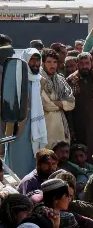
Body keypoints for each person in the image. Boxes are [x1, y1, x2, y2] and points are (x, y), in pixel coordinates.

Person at [5, 49, 47, 177]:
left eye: (37, 60)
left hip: (35, 127)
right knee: (18, 164)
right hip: (20, 127)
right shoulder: (17, 79)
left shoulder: (40, 80)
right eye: (32, 60)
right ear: (25, 61)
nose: (35, 63)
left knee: (33, 164)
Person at [39, 49, 75, 148]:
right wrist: (62, 104)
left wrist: (55, 103)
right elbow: (46, 105)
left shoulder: (61, 79)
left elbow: (71, 103)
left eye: (55, 62)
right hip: (45, 125)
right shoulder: (38, 80)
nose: (52, 65)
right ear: (43, 63)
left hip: (61, 125)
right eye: (49, 62)